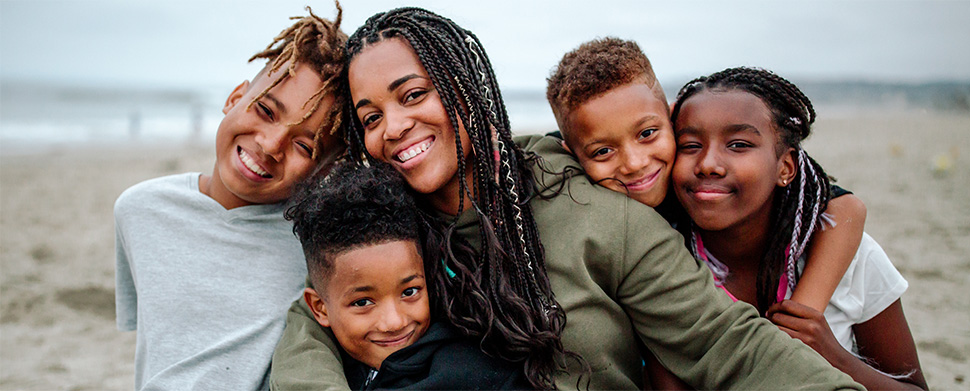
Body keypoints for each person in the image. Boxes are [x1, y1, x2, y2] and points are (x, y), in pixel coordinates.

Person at [269, 7, 865, 390]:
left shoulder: (595, 213)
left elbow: (722, 342)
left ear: (465, 85)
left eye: (414, 94)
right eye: (370, 116)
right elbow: (317, 315)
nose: (394, 127)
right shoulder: (385, 222)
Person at [113, 6, 347, 390]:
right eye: (266, 110)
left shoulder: (315, 244)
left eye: (304, 146)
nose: (271, 144)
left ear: (322, 169)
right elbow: (160, 338)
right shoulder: (138, 210)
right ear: (235, 96)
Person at [664, 66, 926, 390]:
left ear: (785, 167)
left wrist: (834, 357)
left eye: (738, 144)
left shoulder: (852, 259)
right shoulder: (663, 266)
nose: (707, 164)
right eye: (690, 145)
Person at [285, 160, 529, 390]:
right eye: (362, 302)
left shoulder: (473, 374)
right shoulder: (325, 365)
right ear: (319, 308)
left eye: (410, 292)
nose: (394, 322)